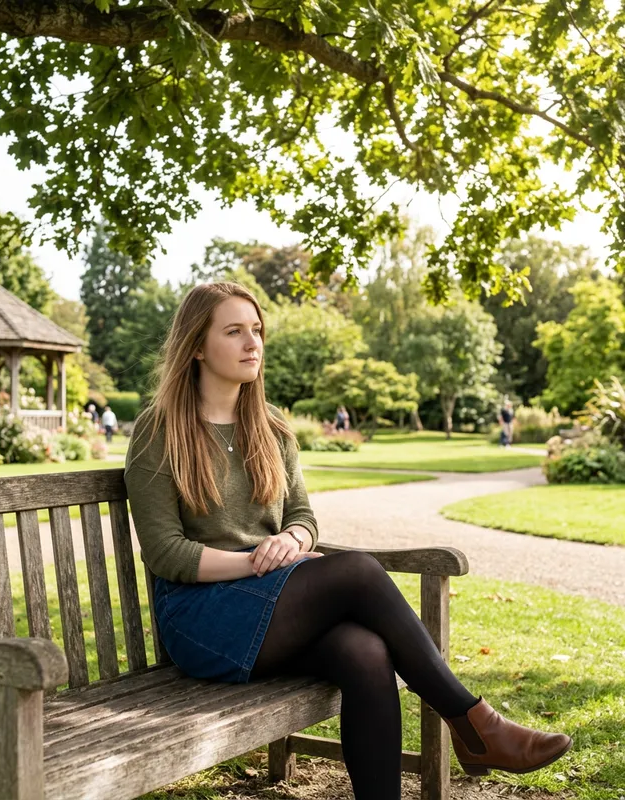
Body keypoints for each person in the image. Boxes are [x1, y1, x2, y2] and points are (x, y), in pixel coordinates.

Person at [124, 282, 572, 800]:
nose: (253, 343)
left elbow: (302, 516)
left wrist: (292, 538)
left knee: (365, 651)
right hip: (202, 618)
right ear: (197, 346)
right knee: (357, 570)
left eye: (257, 330)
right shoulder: (160, 431)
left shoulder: (270, 428)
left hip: (272, 601)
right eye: (234, 331)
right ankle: (475, 724)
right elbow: (165, 553)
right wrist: (255, 564)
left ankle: (457, 745)